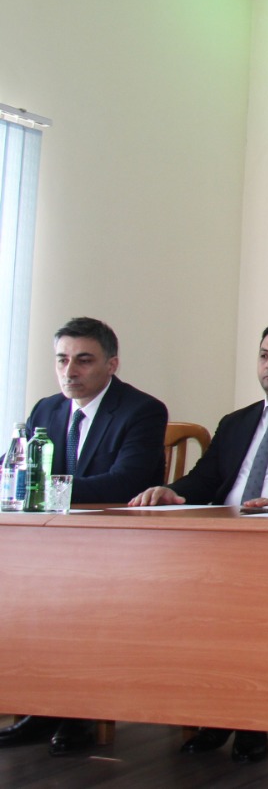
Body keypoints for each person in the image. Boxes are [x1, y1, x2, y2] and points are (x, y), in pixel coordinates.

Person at [127, 323, 268, 764]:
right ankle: (212, 710)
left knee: (242, 607)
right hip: (222, 538)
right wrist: (171, 491)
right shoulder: (236, 422)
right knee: (179, 598)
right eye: (264, 355)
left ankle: (249, 722)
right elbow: (205, 480)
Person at [0, 317, 166, 757]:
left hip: (116, 544)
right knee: (25, 595)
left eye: (83, 360)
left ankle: (79, 713)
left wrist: (45, 489)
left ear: (111, 365)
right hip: (52, 543)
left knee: (77, 598)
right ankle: (37, 707)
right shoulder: (46, 410)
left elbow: (124, 482)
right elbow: (14, 471)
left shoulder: (142, 410)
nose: (69, 371)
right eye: (62, 360)